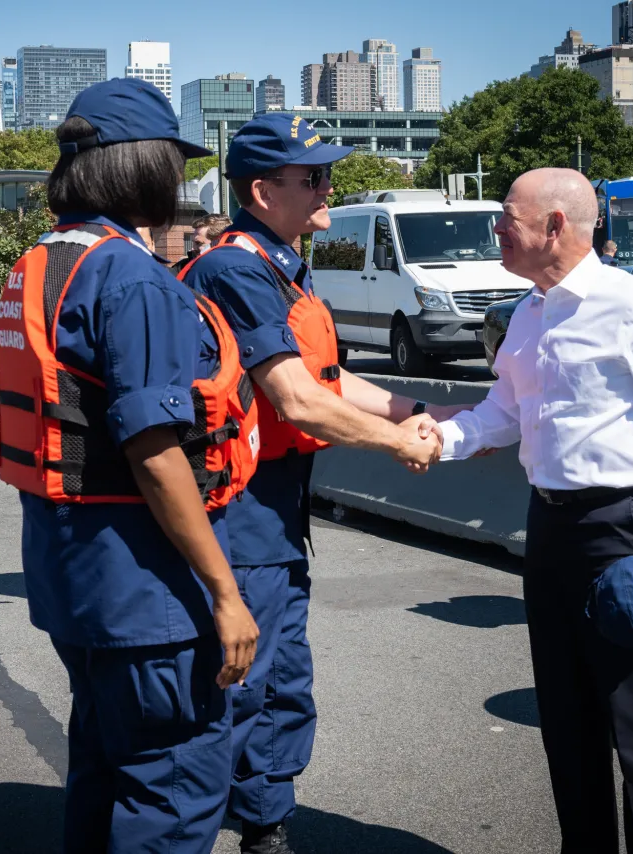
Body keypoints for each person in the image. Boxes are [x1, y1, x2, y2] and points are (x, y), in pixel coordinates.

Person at [0, 77, 260, 853]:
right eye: (170, 160)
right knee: (172, 783)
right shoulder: (130, 276)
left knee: (103, 769)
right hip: (146, 589)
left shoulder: (40, 261)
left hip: (70, 575)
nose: (177, 179)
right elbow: (154, 450)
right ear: (139, 165)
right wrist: (225, 592)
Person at [429, 168, 633, 853]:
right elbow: (502, 412)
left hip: (624, 528)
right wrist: (435, 440)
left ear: (556, 225)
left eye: (508, 216)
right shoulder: (529, 310)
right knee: (566, 722)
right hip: (551, 526)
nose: (496, 228)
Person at [181, 113, 445, 854]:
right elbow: (297, 400)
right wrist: (400, 441)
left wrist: (428, 410)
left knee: (281, 684)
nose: (329, 187)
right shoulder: (234, 268)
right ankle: (193, 834)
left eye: (327, 173)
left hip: (276, 515)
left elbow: (329, 380)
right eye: (313, 178)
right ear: (262, 191)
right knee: (237, 690)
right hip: (243, 517)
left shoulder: (277, 264)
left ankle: (265, 828)